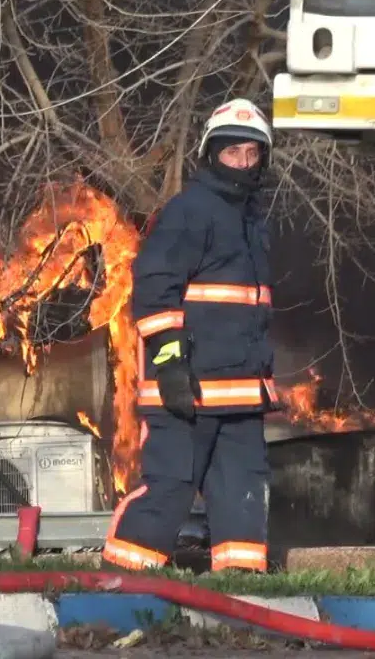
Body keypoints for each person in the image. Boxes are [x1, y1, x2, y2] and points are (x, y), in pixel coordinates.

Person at [103, 98, 279, 574]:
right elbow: (154, 287)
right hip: (188, 389)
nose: (243, 163)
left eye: (252, 153)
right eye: (232, 152)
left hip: (241, 395)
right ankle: (122, 580)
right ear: (211, 155)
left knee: (242, 490)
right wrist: (169, 365)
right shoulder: (190, 211)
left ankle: (241, 583)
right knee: (171, 486)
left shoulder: (252, 221)